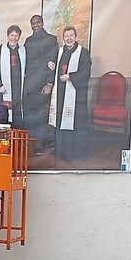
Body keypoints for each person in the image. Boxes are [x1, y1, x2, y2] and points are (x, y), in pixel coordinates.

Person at [48, 26, 92, 162]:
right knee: (61, 121)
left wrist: (70, 77)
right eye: (66, 36)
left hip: (75, 96)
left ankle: (73, 153)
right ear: (63, 38)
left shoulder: (83, 53)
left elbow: (86, 73)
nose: (69, 38)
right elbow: (54, 65)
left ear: (76, 37)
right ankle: (61, 150)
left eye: (71, 35)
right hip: (61, 93)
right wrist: (51, 63)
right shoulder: (60, 51)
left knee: (74, 122)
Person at [22, 15, 58, 155]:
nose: (35, 25)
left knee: (41, 116)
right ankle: (32, 143)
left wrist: (49, 83)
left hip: (42, 84)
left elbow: (52, 63)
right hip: (29, 85)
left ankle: (40, 145)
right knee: (30, 116)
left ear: (42, 23)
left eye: (37, 22)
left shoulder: (51, 39)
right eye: (33, 23)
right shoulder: (28, 41)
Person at [0, 24, 26, 128]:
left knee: (17, 116)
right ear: (8, 36)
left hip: (18, 89)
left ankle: (15, 139)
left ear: (19, 37)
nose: (14, 38)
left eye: (16, 35)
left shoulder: (23, 50)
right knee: (3, 116)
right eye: (11, 35)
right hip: (3, 90)